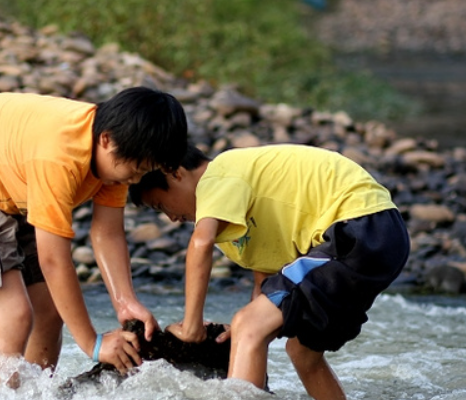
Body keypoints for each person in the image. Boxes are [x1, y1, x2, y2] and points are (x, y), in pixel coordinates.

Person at [0, 87, 188, 382]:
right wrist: (92, 344)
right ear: (107, 139)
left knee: (51, 311)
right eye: (135, 170)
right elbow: (53, 260)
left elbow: (107, 233)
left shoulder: (117, 151)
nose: (134, 180)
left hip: (12, 184)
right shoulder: (60, 157)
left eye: (144, 173)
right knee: (14, 317)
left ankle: (34, 393)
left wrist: (125, 300)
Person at [129, 143, 410, 400]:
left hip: (360, 223)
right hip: (374, 238)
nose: (172, 218)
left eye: (160, 205)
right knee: (302, 352)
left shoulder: (218, 173)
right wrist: (245, 333)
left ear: (175, 173)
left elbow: (200, 243)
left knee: (249, 324)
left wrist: (193, 326)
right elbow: (269, 281)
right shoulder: (233, 228)